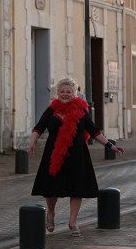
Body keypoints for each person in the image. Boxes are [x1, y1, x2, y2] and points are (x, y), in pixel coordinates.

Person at [27, 77, 124, 237]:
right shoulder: (51, 110)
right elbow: (38, 128)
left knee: (76, 188)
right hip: (54, 154)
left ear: (75, 93)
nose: (65, 94)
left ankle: (73, 222)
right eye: (62, 92)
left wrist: (110, 145)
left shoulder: (81, 111)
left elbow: (94, 131)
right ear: (57, 93)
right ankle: (50, 213)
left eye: (68, 92)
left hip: (77, 154)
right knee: (51, 189)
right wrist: (31, 144)